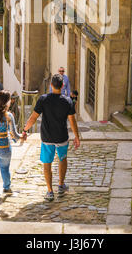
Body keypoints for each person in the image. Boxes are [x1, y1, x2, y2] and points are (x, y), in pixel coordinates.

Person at [22, 73, 80, 202]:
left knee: (47, 163)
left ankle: (49, 191)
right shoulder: (68, 101)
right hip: (62, 137)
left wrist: (24, 130)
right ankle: (61, 185)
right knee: (63, 158)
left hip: (47, 137)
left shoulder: (43, 99)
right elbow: (72, 121)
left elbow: (33, 118)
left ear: (51, 85)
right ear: (63, 85)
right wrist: (77, 137)